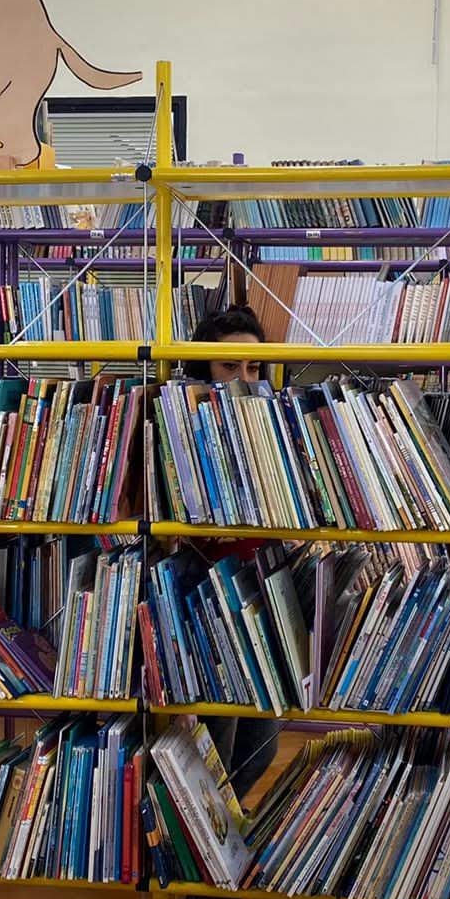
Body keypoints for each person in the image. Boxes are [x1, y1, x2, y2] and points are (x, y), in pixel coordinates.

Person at [182, 303, 278, 798]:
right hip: (206, 598)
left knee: (262, 742)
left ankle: (224, 826)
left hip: (262, 591)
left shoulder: (273, 424)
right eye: (228, 366)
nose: (244, 379)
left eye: (254, 367)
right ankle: (207, 833)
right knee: (216, 740)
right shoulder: (182, 426)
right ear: (203, 370)